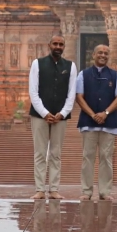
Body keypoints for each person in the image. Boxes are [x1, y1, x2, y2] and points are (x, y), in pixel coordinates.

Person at [28, 35, 77, 200]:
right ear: (49, 45)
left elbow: (72, 93)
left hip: (60, 116)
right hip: (39, 115)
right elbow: (33, 91)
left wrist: (62, 113)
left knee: (56, 153)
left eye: (61, 44)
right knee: (40, 153)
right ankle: (40, 189)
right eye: (55, 43)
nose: (58, 46)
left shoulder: (70, 66)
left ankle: (54, 189)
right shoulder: (38, 63)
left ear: (64, 46)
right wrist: (44, 113)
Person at [76, 44, 117, 201]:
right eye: (100, 53)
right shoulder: (83, 75)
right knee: (88, 156)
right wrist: (92, 114)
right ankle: (86, 191)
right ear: (93, 55)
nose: (103, 55)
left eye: (106, 53)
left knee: (106, 157)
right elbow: (79, 96)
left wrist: (105, 113)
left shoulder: (114, 75)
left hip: (109, 122)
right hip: (88, 121)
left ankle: (105, 191)